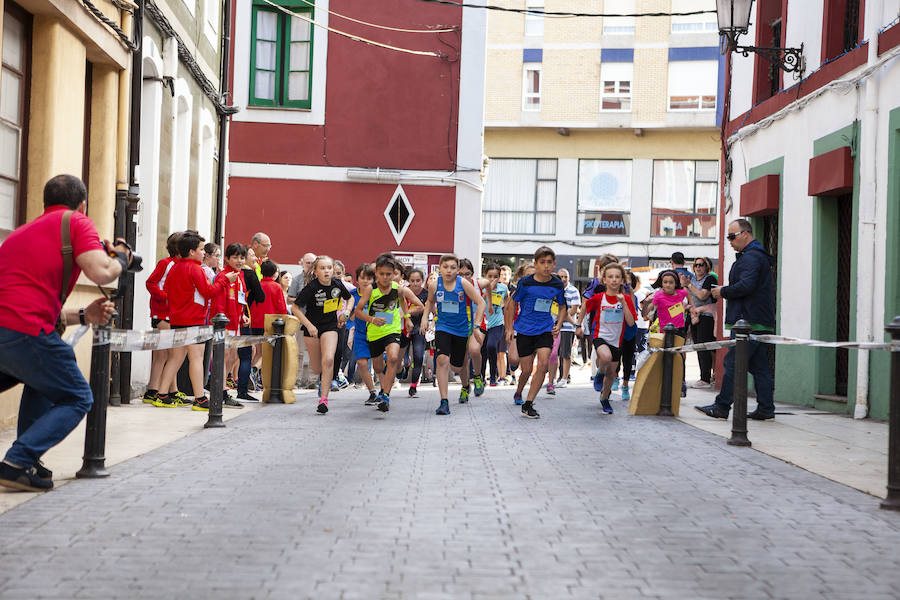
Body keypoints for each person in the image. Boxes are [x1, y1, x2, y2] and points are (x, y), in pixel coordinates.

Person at [0, 174, 129, 492]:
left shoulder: (21, 234)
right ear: (82, 205)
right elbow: (101, 270)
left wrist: (85, 315)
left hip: (10, 331)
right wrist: (121, 259)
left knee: (42, 380)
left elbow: (23, 299)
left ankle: (25, 462)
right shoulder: (76, 222)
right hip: (24, 330)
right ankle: (17, 461)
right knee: (76, 396)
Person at [697, 219, 776, 421]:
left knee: (733, 363)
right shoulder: (753, 256)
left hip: (747, 322)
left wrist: (722, 291)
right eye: (728, 237)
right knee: (759, 367)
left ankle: (722, 406)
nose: (729, 241)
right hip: (755, 320)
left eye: (732, 236)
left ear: (745, 234)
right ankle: (766, 408)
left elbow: (746, 286)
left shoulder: (751, 258)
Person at [154, 232, 237, 410]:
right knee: (196, 359)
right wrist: (223, 280)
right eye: (200, 249)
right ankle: (200, 398)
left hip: (177, 318)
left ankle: (161, 394)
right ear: (191, 251)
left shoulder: (174, 267)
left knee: (175, 359)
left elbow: (167, 291)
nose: (203, 253)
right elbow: (208, 291)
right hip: (194, 319)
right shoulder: (195, 269)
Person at [355, 254, 424, 412]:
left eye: (388, 274)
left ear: (394, 274)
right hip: (374, 332)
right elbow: (358, 311)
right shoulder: (369, 290)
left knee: (393, 358)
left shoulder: (399, 289)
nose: (385, 277)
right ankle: (387, 381)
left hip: (392, 330)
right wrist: (371, 320)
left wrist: (405, 316)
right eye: (381, 274)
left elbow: (419, 305)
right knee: (379, 367)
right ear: (376, 273)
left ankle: (386, 395)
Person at [506, 247, 567, 419]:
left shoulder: (556, 284)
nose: (546, 266)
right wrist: (510, 328)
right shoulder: (525, 282)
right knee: (526, 370)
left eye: (549, 263)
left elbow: (562, 307)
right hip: (525, 330)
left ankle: (528, 404)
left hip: (545, 329)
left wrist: (559, 323)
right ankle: (519, 391)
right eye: (542, 263)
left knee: (543, 365)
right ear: (536, 264)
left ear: (554, 264)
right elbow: (511, 304)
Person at [422, 254, 485, 416]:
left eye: (452, 267)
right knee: (442, 359)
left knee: (457, 366)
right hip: (443, 327)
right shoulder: (435, 285)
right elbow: (429, 301)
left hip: (462, 329)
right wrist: (424, 318)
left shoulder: (463, 283)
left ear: (457, 270)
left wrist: (476, 326)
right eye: (445, 267)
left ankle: (467, 384)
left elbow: (481, 302)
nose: (449, 270)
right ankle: (444, 401)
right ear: (440, 269)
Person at [291, 256, 353, 414]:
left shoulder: (337, 284)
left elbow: (350, 298)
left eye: (329, 268)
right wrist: (309, 325)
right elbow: (295, 308)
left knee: (329, 360)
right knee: (318, 367)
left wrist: (346, 313)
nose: (326, 271)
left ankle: (323, 400)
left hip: (330, 326)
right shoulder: (311, 287)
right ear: (316, 271)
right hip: (312, 327)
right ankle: (322, 382)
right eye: (323, 268)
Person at [577, 263, 637, 414]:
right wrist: (579, 324)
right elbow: (584, 306)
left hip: (617, 340)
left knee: (611, 373)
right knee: (605, 356)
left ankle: (604, 399)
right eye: (610, 277)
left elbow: (630, 322)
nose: (614, 280)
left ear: (623, 280)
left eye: (617, 277)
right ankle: (599, 374)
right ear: (604, 280)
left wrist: (623, 303)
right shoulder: (599, 298)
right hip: (600, 335)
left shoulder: (627, 299)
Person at [142, 232, 184, 405]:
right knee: (163, 354)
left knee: (169, 354)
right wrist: (166, 297)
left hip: (172, 314)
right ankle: (154, 390)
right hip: (162, 313)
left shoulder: (180, 265)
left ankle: (169, 390)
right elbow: (151, 283)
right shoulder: (165, 264)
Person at [211, 243, 248, 408]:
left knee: (233, 357)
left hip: (236, 323)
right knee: (223, 357)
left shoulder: (239, 276)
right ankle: (221, 392)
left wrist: (243, 316)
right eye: (235, 257)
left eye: (241, 257)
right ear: (227, 258)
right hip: (225, 324)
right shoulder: (224, 276)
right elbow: (218, 300)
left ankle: (223, 389)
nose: (239, 261)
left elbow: (240, 299)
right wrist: (221, 322)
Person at [682, 257, 718, 388]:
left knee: (704, 346)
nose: (698, 267)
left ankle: (706, 378)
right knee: (698, 346)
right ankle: (705, 376)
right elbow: (689, 297)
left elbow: (702, 296)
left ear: (706, 266)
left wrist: (689, 285)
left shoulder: (710, 279)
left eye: (701, 265)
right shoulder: (691, 279)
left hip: (707, 316)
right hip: (695, 315)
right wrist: (692, 310)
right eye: (696, 265)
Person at [350, 264, 378, 405]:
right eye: (363, 278)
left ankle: (385, 392)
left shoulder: (377, 293)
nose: (366, 281)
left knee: (380, 365)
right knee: (361, 362)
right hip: (360, 334)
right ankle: (372, 392)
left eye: (369, 278)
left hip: (378, 333)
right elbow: (347, 312)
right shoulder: (353, 295)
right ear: (357, 279)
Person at [401, 268, 428, 397]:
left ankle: (413, 386)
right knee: (404, 358)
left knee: (418, 356)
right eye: (412, 280)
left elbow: (429, 309)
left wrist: (427, 321)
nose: (415, 283)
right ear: (408, 281)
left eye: (418, 280)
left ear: (422, 281)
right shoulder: (403, 292)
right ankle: (405, 366)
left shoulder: (426, 294)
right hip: (404, 328)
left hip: (419, 328)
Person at [479, 263, 508, 387]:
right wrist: (487, 289)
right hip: (482, 322)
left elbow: (507, 301)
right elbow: (478, 301)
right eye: (489, 276)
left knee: (491, 346)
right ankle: (481, 377)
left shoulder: (503, 288)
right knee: (482, 350)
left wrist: (503, 307)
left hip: (497, 322)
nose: (492, 279)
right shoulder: (481, 288)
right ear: (485, 276)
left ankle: (492, 376)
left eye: (495, 276)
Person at [550, 268, 579, 389]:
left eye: (565, 277)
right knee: (553, 354)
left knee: (565, 354)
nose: (563, 279)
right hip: (554, 326)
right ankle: (553, 379)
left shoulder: (573, 291)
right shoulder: (554, 290)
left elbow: (573, 309)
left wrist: (561, 315)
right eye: (561, 277)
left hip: (567, 327)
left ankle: (564, 378)